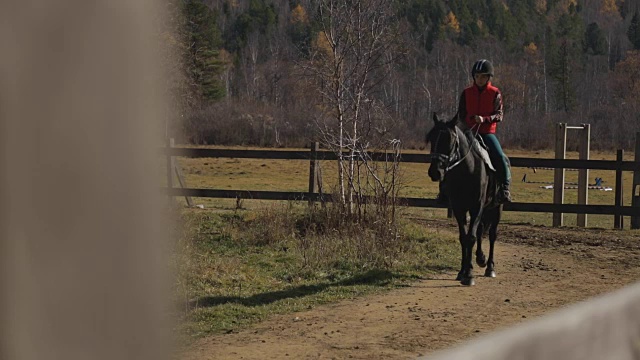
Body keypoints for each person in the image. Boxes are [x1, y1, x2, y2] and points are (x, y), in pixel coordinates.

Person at [436, 59, 512, 204]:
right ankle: (444, 189)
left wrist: (485, 119)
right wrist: (467, 122)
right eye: (477, 76)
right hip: (467, 131)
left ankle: (504, 188)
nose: (479, 79)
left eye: (483, 76)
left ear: (489, 77)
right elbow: (461, 113)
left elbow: (499, 115)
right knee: (449, 154)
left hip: (487, 132)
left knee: (499, 156)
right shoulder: (466, 93)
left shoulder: (495, 93)